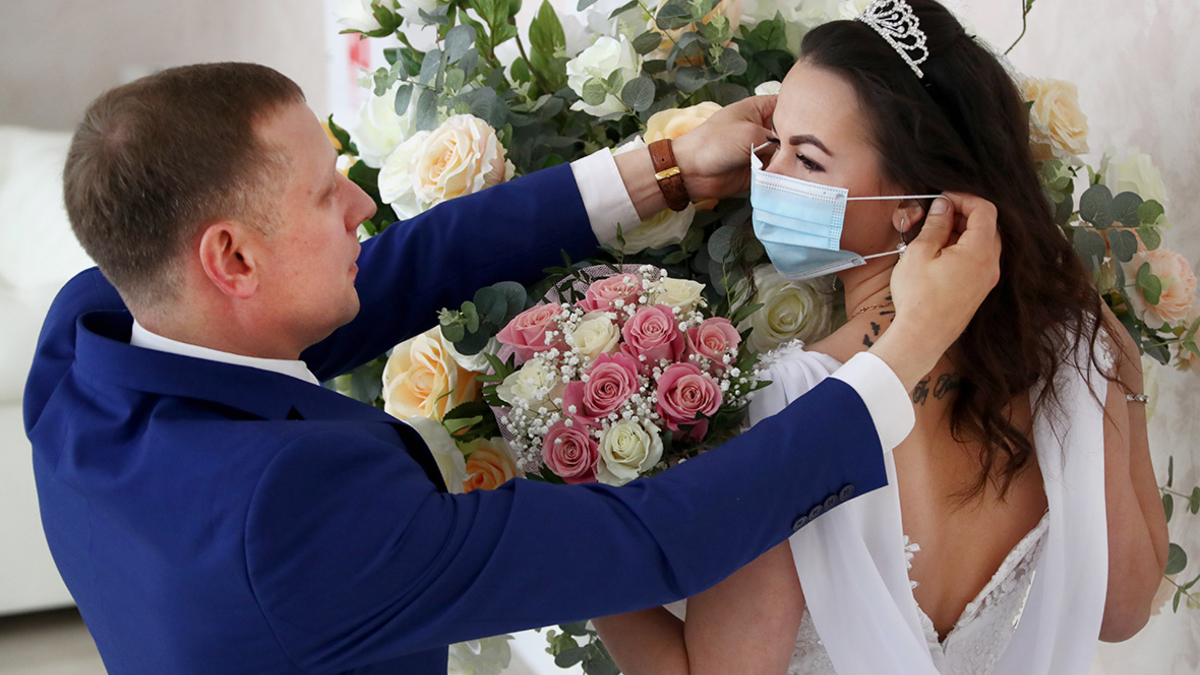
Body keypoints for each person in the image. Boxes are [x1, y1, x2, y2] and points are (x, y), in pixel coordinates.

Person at [25, 61, 998, 674]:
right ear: (231, 257)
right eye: (326, 196)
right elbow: (651, 538)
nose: (363, 209)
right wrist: (912, 340)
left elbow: (406, 268)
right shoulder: (288, 515)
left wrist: (664, 165)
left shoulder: (94, 335)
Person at [592, 1, 1168, 674]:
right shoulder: (1074, 350)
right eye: (774, 142)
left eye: (808, 159)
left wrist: (576, 506)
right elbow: (1123, 608)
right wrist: (1115, 366)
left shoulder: (789, 406)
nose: (766, 174)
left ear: (911, 205)